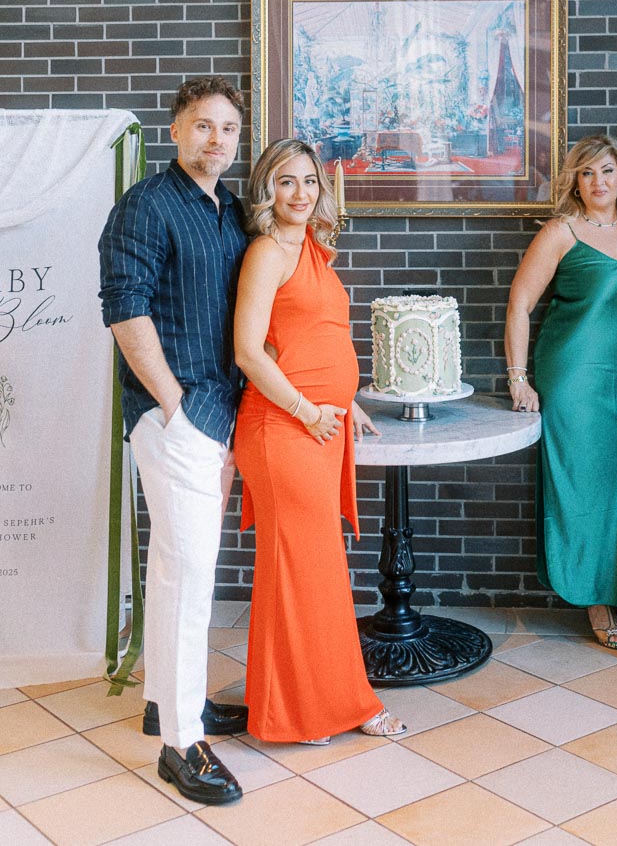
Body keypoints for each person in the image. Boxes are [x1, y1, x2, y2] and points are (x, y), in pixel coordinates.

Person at [99, 77, 249, 807]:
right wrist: (175, 405)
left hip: (219, 417)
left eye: (227, 128)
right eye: (202, 126)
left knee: (174, 567)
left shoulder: (231, 212)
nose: (215, 139)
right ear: (175, 131)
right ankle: (182, 745)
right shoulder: (146, 207)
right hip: (178, 416)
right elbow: (126, 312)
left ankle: (166, 699)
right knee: (192, 580)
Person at [233, 138, 405, 743]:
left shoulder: (313, 248)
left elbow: (309, 337)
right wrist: (309, 409)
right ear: (266, 191)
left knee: (305, 571)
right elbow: (249, 351)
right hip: (283, 427)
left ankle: (294, 705)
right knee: (309, 573)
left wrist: (346, 398)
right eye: (286, 182)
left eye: (309, 182)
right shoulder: (267, 252)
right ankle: (321, 708)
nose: (300, 194)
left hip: (319, 424)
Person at [504, 133, 617, 647]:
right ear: (576, 180)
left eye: (608, 172)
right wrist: (518, 377)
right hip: (576, 381)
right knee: (587, 488)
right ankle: (598, 601)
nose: (599, 182)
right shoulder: (561, 231)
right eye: (588, 173)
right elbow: (519, 305)